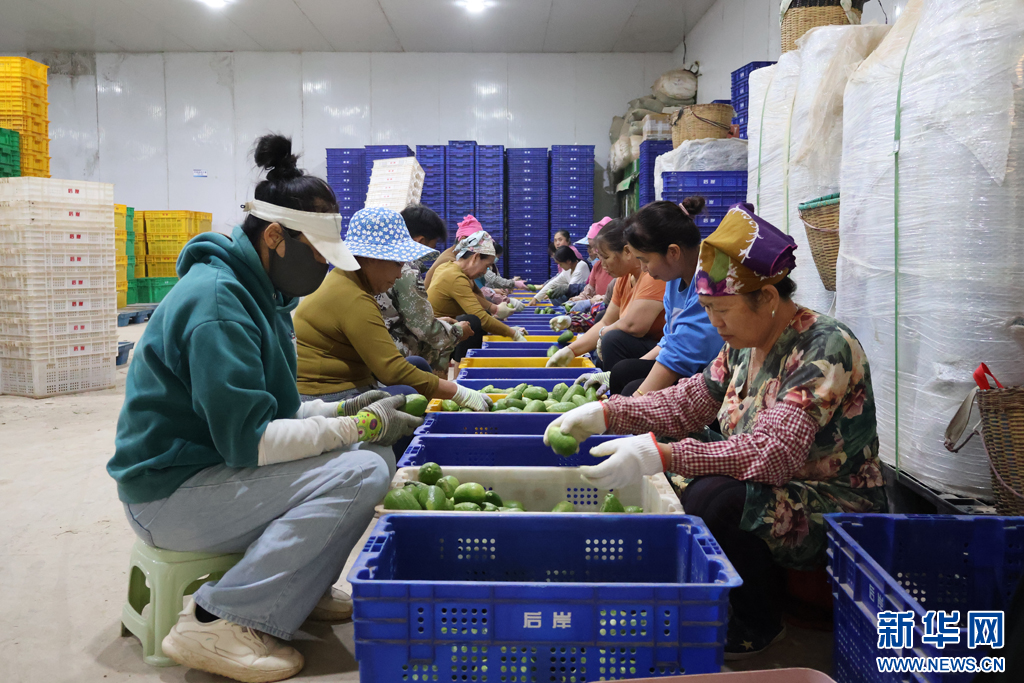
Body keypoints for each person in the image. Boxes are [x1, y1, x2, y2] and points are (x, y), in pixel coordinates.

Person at [108, 134, 421, 683]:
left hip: (209, 471)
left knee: (369, 458)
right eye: (318, 255)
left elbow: (273, 412)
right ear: (275, 236)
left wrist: (342, 412)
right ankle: (217, 621)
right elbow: (250, 441)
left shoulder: (261, 295)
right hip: (169, 495)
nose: (323, 269)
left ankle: (298, 585)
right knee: (360, 472)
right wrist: (357, 425)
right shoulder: (218, 305)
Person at [544, 202, 887, 659]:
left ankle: (755, 623)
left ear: (767, 298)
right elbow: (689, 401)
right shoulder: (743, 343)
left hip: (829, 503)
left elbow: (774, 454)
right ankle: (703, 582)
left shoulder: (823, 346)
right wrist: (608, 414)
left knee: (716, 497)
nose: (714, 322)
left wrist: (665, 456)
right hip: (774, 481)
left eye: (722, 310)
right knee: (673, 449)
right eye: (706, 309)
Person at [294, 206, 494, 415]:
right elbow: (392, 371)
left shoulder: (348, 282)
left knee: (416, 365)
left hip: (355, 379)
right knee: (407, 394)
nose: (399, 274)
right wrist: (458, 392)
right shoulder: (353, 298)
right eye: (398, 264)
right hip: (328, 396)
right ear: (371, 258)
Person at [595, 199, 724, 397]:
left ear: (673, 252)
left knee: (631, 389)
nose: (644, 269)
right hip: (686, 363)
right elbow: (669, 340)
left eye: (645, 260)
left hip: (710, 374)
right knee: (623, 371)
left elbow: (681, 355)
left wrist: (631, 402)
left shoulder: (709, 280)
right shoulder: (674, 278)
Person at [546, 218, 666, 370]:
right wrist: (571, 351)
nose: (602, 264)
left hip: (660, 352)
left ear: (627, 252)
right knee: (605, 325)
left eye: (606, 257)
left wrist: (603, 333)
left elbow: (634, 326)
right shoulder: (623, 279)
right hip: (641, 350)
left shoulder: (652, 275)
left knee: (612, 339)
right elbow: (606, 321)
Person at [375, 204, 472, 373]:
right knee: (441, 345)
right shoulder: (405, 270)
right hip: (387, 348)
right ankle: (435, 388)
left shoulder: (382, 260)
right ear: (419, 241)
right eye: (431, 246)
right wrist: (457, 332)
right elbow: (426, 329)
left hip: (379, 338)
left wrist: (440, 322)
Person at [427, 231, 528, 356]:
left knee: (478, 319)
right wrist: (513, 334)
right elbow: (481, 318)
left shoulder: (453, 268)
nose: (485, 272)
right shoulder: (455, 277)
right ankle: (458, 363)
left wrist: (497, 314)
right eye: (487, 266)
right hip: (435, 336)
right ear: (475, 257)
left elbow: (477, 295)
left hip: (443, 327)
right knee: (474, 322)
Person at [424, 214, 521, 318]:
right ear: (463, 239)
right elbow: (467, 293)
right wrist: (493, 308)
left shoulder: (462, 261)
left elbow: (475, 291)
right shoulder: (450, 261)